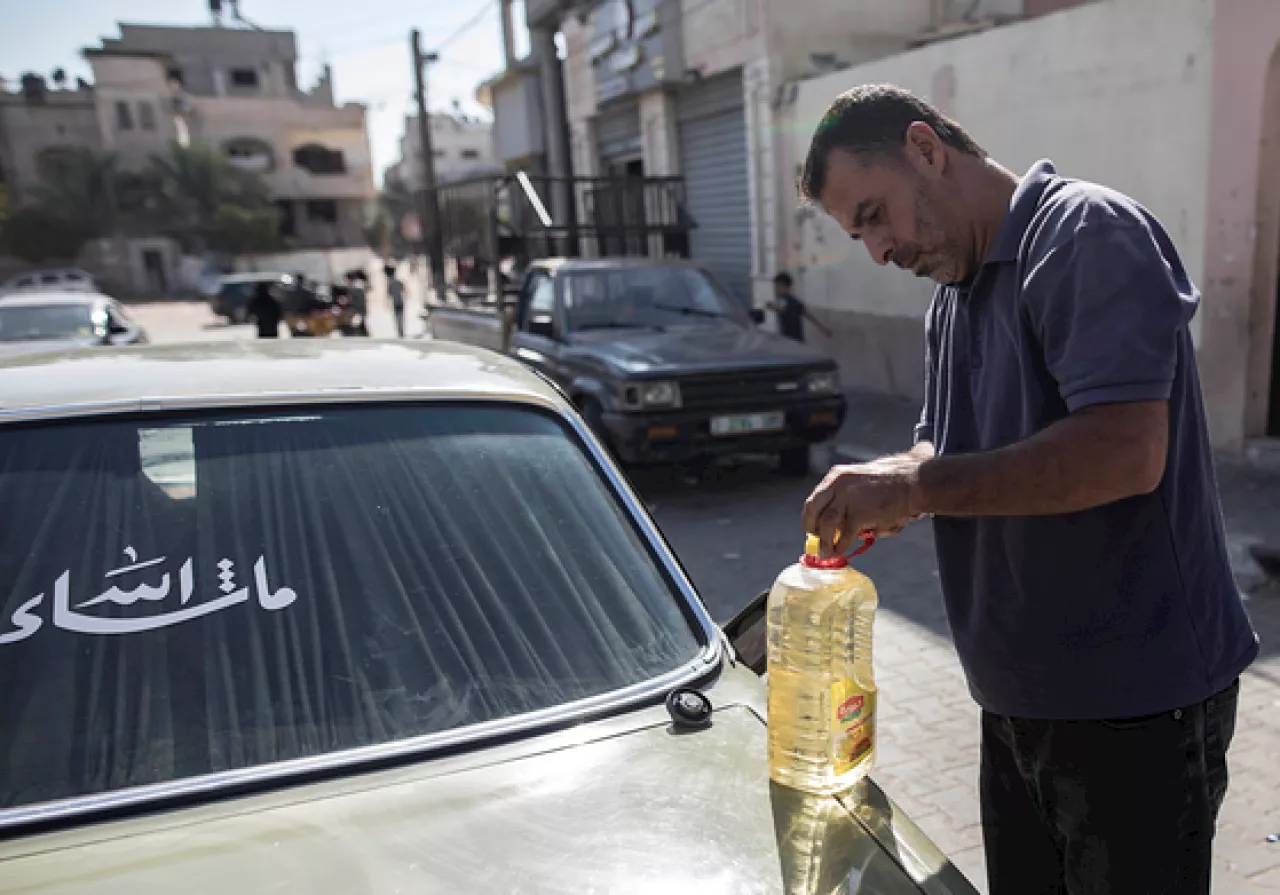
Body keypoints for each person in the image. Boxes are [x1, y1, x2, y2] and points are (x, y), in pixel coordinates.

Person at [796, 85, 1256, 895]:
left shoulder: (1084, 236)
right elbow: (942, 448)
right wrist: (894, 481)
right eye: (856, 233)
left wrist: (919, 486)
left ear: (926, 149)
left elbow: (1124, 452)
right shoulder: (953, 297)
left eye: (874, 215)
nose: (876, 250)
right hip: (1016, 701)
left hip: (1133, 707)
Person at [768, 271, 831, 342]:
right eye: (775, 286)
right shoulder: (794, 301)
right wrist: (823, 328)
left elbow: (781, 308)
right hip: (798, 340)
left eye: (777, 286)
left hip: (789, 340)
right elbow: (808, 315)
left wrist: (771, 306)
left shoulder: (784, 299)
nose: (776, 289)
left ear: (786, 287)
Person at [385, 264, 405, 337]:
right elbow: (403, 288)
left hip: (395, 301)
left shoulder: (390, 282)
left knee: (397, 316)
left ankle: (399, 331)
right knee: (401, 316)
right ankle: (401, 330)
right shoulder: (398, 281)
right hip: (400, 300)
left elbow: (389, 293)